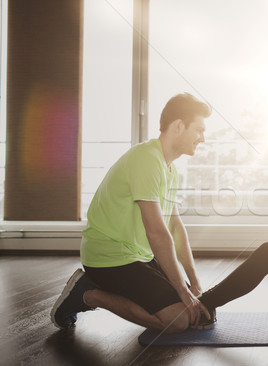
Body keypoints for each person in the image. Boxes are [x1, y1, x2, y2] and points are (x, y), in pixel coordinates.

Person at [51, 93, 213, 334]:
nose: (202, 138)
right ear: (179, 126)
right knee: (178, 319)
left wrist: (195, 285)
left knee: (196, 311)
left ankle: (111, 291)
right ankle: (86, 293)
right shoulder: (146, 159)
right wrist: (182, 289)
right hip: (109, 256)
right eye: (199, 130)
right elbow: (157, 233)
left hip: (138, 256)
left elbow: (175, 228)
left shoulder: (170, 171)